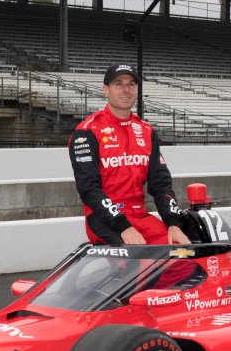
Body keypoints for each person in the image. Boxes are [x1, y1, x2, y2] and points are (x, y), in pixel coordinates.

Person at [68, 63, 190, 246]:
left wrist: (173, 224)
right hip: (105, 219)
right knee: (141, 265)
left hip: (140, 216)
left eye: (131, 84)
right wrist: (123, 226)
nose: (126, 90)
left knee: (184, 257)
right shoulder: (87, 132)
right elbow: (88, 189)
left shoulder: (146, 131)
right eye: (118, 84)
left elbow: (161, 183)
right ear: (106, 90)